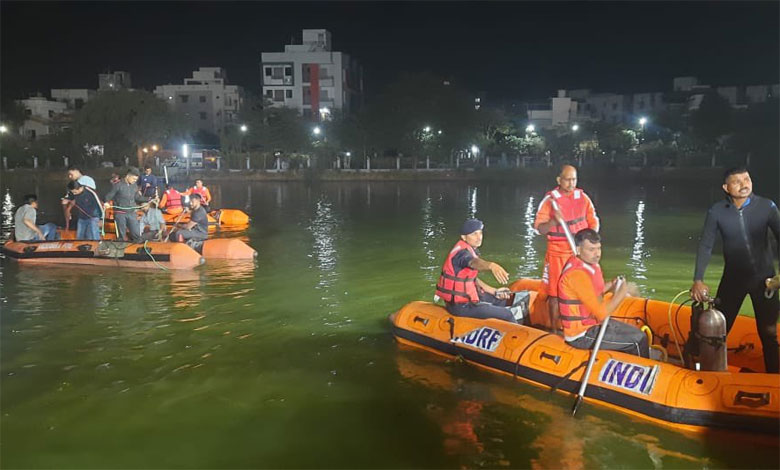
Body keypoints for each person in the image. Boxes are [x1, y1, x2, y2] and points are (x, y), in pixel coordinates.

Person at [690, 167, 779, 373]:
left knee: (768, 333)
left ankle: (774, 377)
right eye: (737, 181)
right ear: (726, 187)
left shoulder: (767, 207)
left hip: (765, 281)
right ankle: (708, 372)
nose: (743, 184)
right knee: (718, 330)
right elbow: (706, 245)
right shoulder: (717, 211)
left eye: (746, 179)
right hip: (733, 280)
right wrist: (698, 279)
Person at [558, 229, 649, 358]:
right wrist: (621, 293)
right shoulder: (576, 275)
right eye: (591, 249)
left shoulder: (588, 264)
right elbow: (601, 314)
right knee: (638, 340)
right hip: (581, 335)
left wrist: (611, 285)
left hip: (593, 325)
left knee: (640, 334)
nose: (597, 254)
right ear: (578, 250)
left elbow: (592, 292)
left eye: (598, 249)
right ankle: (642, 373)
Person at [534, 164, 600, 329]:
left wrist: (589, 245)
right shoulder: (550, 201)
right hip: (558, 253)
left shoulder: (583, 198)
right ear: (559, 180)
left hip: (580, 253)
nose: (571, 183)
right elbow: (539, 228)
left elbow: (593, 221)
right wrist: (553, 222)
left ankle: (588, 324)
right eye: (568, 180)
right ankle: (554, 330)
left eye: (574, 179)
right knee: (555, 294)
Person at [434, 218, 517, 323]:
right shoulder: (462, 254)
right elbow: (474, 263)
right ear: (464, 237)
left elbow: (472, 279)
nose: (479, 238)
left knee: (503, 300)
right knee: (507, 314)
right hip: (461, 306)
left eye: (480, 233)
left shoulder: (470, 248)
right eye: (474, 234)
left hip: (469, 298)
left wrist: (494, 291)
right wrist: (490, 265)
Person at [104, 167, 149, 242]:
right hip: (120, 214)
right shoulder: (118, 185)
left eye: (136, 180)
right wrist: (106, 202)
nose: (135, 181)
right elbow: (108, 196)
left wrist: (149, 199)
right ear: (128, 176)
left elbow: (137, 197)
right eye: (134, 179)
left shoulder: (134, 186)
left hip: (131, 213)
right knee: (121, 236)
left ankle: (136, 250)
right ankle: (121, 251)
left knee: (136, 234)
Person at [61, 165, 97, 230]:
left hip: (88, 212)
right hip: (81, 212)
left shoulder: (83, 181)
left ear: (76, 170)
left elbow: (77, 197)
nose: (70, 177)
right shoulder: (77, 182)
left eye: (71, 174)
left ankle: (67, 226)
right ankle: (67, 226)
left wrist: (68, 210)